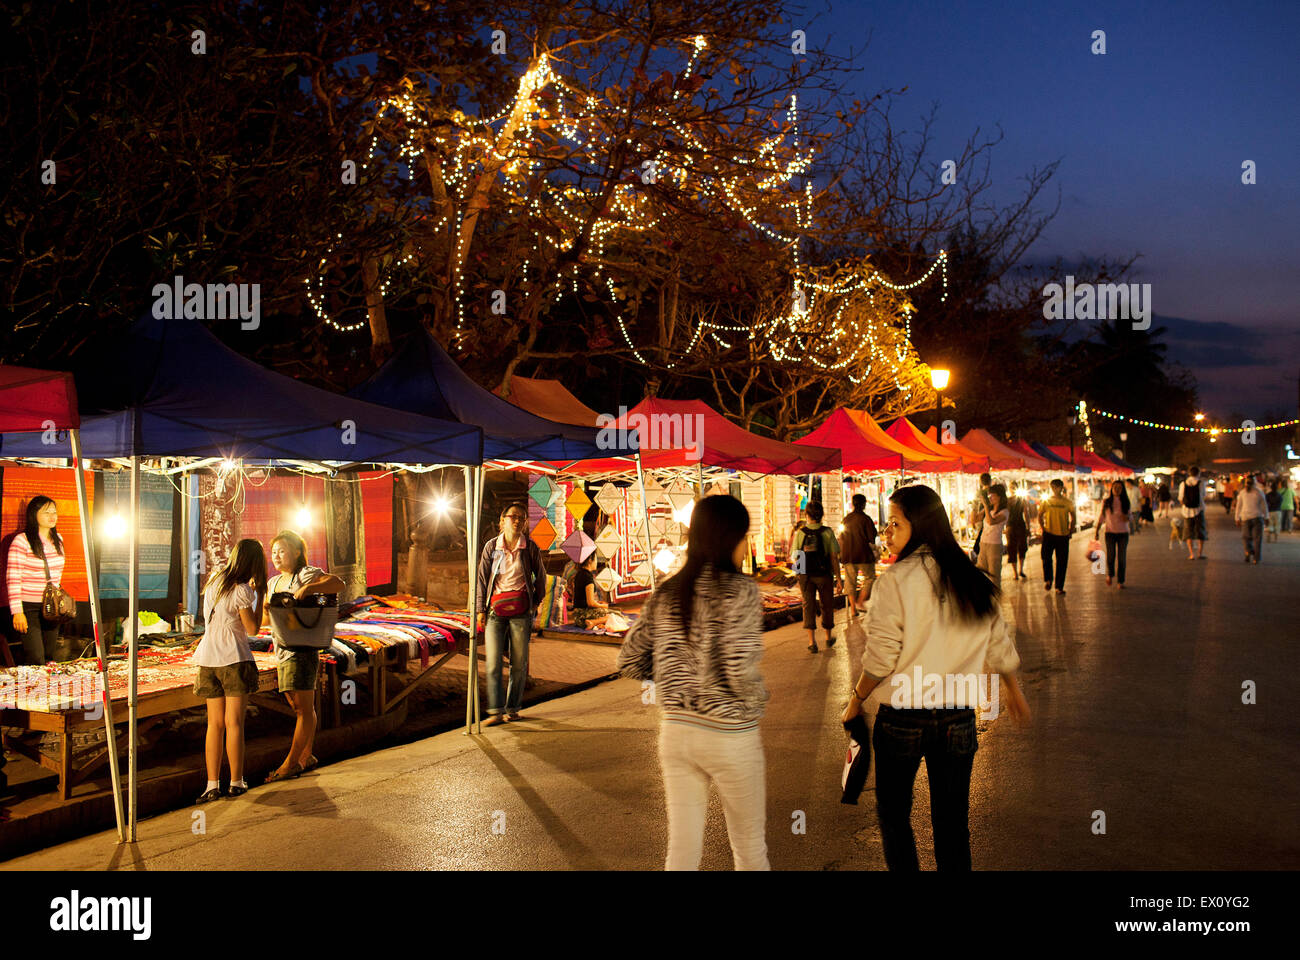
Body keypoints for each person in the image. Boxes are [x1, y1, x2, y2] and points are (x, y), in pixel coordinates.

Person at [841, 484, 1030, 871]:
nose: (887, 532)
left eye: (895, 523)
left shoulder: (895, 582)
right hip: (958, 720)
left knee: (895, 818)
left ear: (921, 525)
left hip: (902, 721)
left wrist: (857, 698)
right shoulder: (973, 579)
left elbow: (880, 659)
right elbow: (998, 641)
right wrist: (1012, 689)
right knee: (952, 823)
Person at [616, 494, 769, 871]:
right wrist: (758, 698)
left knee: (682, 853)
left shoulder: (668, 591)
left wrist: (671, 675)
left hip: (678, 733)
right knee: (749, 850)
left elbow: (630, 659)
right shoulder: (742, 591)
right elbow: (737, 669)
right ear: (731, 538)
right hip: (730, 734)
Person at [263, 530, 344, 781]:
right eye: (274, 552)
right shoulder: (273, 583)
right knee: (300, 706)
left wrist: (309, 588)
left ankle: (290, 764)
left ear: (297, 551)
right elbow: (267, 620)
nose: (276, 556)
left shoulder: (306, 574)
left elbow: (338, 584)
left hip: (302, 647)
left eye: (282, 550)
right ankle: (306, 755)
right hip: (282, 648)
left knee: (302, 708)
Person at [193, 539, 267, 803]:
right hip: (233, 658)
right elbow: (253, 629)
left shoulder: (214, 582)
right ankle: (236, 781)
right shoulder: (243, 590)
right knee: (234, 722)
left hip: (207, 658)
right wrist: (261, 598)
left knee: (214, 724)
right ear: (255, 564)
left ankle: (211, 784)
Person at [476, 503, 546, 726]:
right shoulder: (492, 547)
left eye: (521, 518)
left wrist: (534, 603)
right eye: (513, 516)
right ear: (502, 520)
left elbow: (541, 578)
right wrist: (479, 609)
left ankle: (513, 709)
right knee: (493, 662)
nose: (517, 521)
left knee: (519, 662)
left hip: (521, 612)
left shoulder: (529, 548)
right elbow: (481, 580)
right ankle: (495, 711)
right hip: (495, 610)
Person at [5, 496, 67, 666]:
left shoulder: (58, 540)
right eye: (47, 512)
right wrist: (17, 612)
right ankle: (33, 690)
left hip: (52, 606)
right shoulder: (22, 541)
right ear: (34, 515)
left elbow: (57, 573)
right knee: (36, 658)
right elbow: (13, 577)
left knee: (49, 656)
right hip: (29, 606)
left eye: (54, 512)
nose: (52, 516)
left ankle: (48, 691)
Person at [793, 501, 839, 653]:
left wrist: (799, 576)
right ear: (822, 514)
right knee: (827, 605)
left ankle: (812, 642)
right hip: (824, 574)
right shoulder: (827, 532)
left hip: (805, 575)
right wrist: (838, 577)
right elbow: (834, 557)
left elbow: (795, 557)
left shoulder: (800, 533)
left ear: (807, 515)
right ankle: (827, 638)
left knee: (808, 606)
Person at [838, 493, 878, 616]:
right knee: (870, 578)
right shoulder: (866, 519)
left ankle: (853, 610)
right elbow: (872, 538)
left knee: (850, 581)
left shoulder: (847, 519)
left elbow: (841, 537)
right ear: (864, 504)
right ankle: (860, 601)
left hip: (848, 555)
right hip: (863, 555)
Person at [1038, 479, 1076, 594]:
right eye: (1053, 487)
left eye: (1057, 487)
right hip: (1049, 534)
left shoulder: (1067, 502)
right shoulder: (1046, 501)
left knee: (1062, 561)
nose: (1055, 489)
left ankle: (1059, 586)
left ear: (1061, 488)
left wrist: (1071, 529)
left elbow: (1073, 516)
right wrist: (1043, 528)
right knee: (1046, 557)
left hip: (1063, 535)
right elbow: (1040, 515)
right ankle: (1048, 579)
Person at [1095, 480, 1132, 588]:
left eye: (1119, 488)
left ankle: (1121, 581)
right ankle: (1110, 575)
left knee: (1122, 558)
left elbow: (1130, 516)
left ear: (1122, 489)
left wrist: (1127, 518)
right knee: (1110, 556)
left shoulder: (1125, 501)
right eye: (1115, 487)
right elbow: (1101, 516)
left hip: (1123, 534)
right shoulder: (1106, 501)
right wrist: (1096, 530)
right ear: (1111, 488)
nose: (1117, 489)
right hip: (1110, 533)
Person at [1233, 475, 1269, 564]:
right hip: (1256, 517)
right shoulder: (1258, 492)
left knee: (1246, 538)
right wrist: (1266, 517)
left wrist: (1237, 518)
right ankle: (1255, 558)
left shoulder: (1243, 492)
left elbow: (1238, 507)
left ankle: (1248, 552)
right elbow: (1264, 506)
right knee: (1257, 539)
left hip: (1247, 518)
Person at [975, 484, 1008, 582]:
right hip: (983, 543)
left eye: (992, 496)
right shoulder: (989, 509)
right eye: (989, 496)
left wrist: (985, 506)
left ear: (999, 497)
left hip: (994, 545)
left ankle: (995, 596)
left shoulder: (1004, 512)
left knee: (994, 574)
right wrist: (974, 506)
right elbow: (975, 519)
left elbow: (991, 521)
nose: (990, 498)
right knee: (981, 571)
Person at [570, 552, 609, 625]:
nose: (597, 562)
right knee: (615, 615)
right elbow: (590, 603)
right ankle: (593, 622)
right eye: (596, 559)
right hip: (583, 616)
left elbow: (581, 599)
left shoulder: (579, 573)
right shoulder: (588, 578)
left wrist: (598, 603)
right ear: (590, 560)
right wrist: (604, 606)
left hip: (577, 616)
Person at [1180, 467, 1208, 559]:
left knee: (1188, 532)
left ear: (1189, 473)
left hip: (1186, 512)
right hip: (1198, 510)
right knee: (1200, 531)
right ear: (1198, 473)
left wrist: (1186, 504)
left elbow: (1180, 498)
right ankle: (1200, 553)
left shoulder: (1183, 484)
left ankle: (1191, 554)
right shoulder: (1201, 483)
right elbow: (1203, 496)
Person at [1004, 483, 1030, 581]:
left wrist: (1028, 527)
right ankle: (1015, 572)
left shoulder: (1021, 500)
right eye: (1011, 488)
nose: (1012, 489)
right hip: (1011, 526)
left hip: (1019, 525)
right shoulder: (1007, 501)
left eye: (1014, 487)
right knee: (1012, 548)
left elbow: (1026, 514)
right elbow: (1005, 515)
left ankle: (1021, 570)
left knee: (1022, 547)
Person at [1265, 480, 1282, 544]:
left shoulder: (1268, 495)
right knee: (1277, 525)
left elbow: (1266, 503)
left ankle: (1269, 537)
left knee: (1270, 524)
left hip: (1270, 511)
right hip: (1277, 511)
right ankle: (1276, 539)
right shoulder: (1279, 495)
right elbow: (1280, 503)